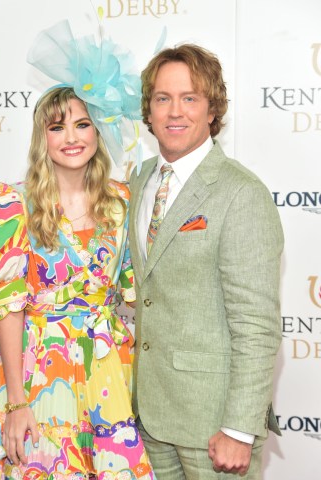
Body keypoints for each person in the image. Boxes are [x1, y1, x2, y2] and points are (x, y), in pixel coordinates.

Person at [0, 20, 156, 480]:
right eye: (57, 126)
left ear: (98, 131)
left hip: (109, 377)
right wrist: (17, 402)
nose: (71, 137)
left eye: (83, 124)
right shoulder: (9, 207)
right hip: (39, 373)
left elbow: (135, 297)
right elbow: (9, 310)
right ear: (41, 137)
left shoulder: (124, 203)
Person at [129, 44, 284, 479]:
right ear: (149, 110)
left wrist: (239, 427)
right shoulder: (140, 180)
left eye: (190, 98)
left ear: (212, 109)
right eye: (163, 98)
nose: (174, 111)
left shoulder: (241, 193)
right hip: (148, 418)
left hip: (213, 426)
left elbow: (256, 324)